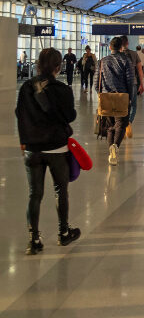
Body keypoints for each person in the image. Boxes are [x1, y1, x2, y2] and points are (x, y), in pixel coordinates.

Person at [15, 48, 81, 255]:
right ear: (58, 66)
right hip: (57, 148)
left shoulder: (27, 87)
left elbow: (20, 115)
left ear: (37, 64)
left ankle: (33, 239)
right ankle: (63, 233)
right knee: (61, 191)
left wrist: (24, 141)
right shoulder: (62, 89)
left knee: (35, 194)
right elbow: (70, 116)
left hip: (32, 149)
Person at [96, 36, 134, 165]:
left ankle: (111, 152)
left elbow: (97, 83)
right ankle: (115, 147)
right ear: (121, 47)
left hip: (106, 96)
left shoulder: (102, 61)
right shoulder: (126, 60)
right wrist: (130, 97)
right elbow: (130, 81)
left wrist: (101, 93)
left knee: (109, 126)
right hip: (121, 96)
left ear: (110, 47)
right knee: (121, 124)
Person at [119, 36, 144, 138]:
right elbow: (140, 71)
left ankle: (121, 125)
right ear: (128, 43)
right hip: (132, 83)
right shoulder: (134, 54)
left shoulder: (118, 55)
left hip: (120, 84)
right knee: (133, 104)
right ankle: (129, 122)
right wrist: (142, 84)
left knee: (121, 105)